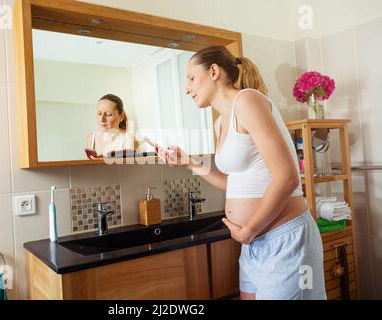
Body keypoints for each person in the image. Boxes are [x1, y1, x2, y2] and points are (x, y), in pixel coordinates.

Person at [163, 46, 326, 300]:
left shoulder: (248, 101)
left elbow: (288, 177)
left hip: (284, 239)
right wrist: (191, 164)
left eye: (191, 78)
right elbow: (237, 184)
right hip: (253, 245)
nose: (187, 88)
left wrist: (248, 229)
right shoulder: (220, 122)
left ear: (214, 71)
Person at [85, 94, 135, 159]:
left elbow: (131, 168)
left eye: (108, 114)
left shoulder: (128, 139)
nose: (102, 119)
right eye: (99, 114)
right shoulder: (90, 138)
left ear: (121, 116)